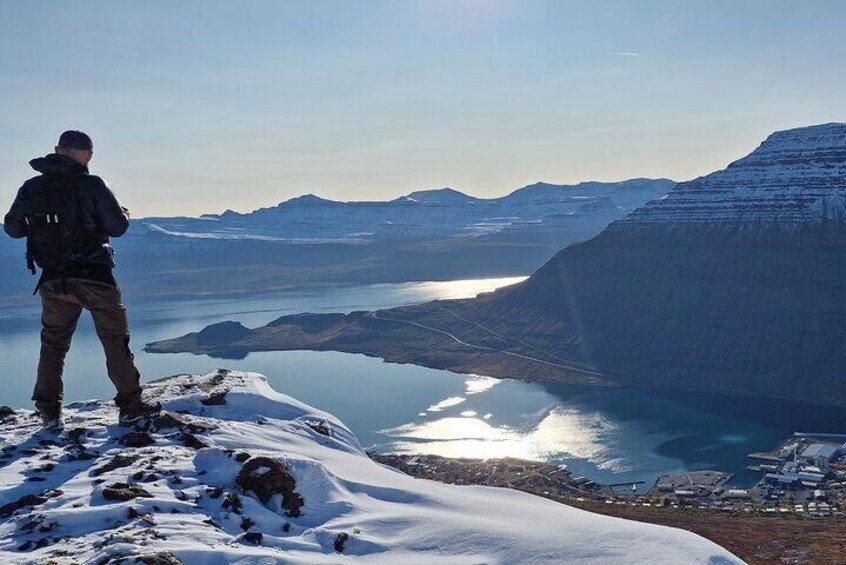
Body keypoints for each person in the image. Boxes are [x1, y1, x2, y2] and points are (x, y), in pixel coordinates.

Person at [4, 130, 160, 430]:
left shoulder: (31, 187)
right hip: (95, 277)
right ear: (85, 154)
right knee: (115, 341)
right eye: (89, 153)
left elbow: (12, 229)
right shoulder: (92, 184)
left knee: (53, 344)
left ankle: (49, 413)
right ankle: (131, 407)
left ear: (57, 150)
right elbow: (117, 227)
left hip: (54, 280)